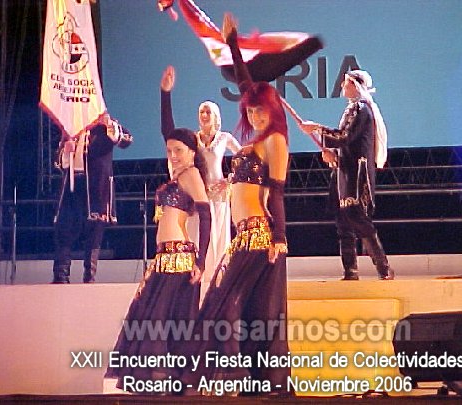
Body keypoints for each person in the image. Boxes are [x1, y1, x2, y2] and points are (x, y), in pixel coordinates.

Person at [178, 13, 291, 395]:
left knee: (223, 300)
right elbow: (246, 85)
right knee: (238, 306)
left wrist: (280, 237)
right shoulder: (253, 142)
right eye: (252, 110)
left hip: (260, 235)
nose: (256, 114)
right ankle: (241, 380)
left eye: (261, 110)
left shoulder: (275, 141)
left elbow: (276, 192)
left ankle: (218, 378)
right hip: (243, 233)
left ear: (272, 112)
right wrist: (231, 44)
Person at [104, 126, 211, 392]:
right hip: (164, 258)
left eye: (179, 150)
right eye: (169, 150)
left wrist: (201, 262)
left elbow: (206, 217)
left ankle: (171, 382)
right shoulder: (178, 177)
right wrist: (164, 92)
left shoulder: (192, 174)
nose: (173, 155)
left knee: (159, 321)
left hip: (179, 259)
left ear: (192, 152)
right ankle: (169, 384)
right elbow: (167, 129)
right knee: (157, 320)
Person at [299, 70, 393, 280]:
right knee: (343, 221)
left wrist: (317, 128)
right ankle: (350, 270)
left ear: (355, 86)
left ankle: (383, 267)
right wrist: (332, 153)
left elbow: (344, 137)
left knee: (356, 217)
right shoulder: (353, 109)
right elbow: (346, 143)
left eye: (345, 83)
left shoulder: (361, 109)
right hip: (344, 169)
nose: (342, 86)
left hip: (355, 173)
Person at [160, 65, 241, 302]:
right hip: (198, 195)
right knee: (198, 238)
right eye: (201, 112)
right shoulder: (191, 140)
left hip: (218, 197)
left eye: (207, 112)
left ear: (216, 116)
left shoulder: (225, 138)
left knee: (219, 240)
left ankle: (219, 287)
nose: (204, 115)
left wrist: (230, 181)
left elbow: (244, 157)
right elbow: (169, 134)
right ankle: (198, 278)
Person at [51, 113, 132, 284]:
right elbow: (58, 163)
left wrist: (110, 125)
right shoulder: (70, 130)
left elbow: (126, 141)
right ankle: (61, 275)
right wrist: (66, 151)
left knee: (94, 230)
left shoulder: (105, 127)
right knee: (64, 229)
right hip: (73, 185)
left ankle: (89, 277)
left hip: (96, 187)